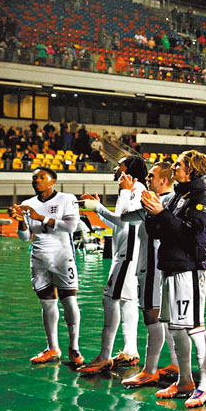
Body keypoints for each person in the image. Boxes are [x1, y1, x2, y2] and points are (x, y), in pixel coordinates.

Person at [142, 150, 206, 408]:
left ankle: (205, 385)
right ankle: (185, 381)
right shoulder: (178, 195)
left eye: (178, 164)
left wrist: (161, 213)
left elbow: (191, 235)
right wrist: (152, 211)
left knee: (195, 327)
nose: (173, 167)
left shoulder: (202, 197)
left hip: (189, 268)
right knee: (175, 327)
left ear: (191, 170)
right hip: (171, 266)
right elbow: (158, 231)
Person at [78, 156, 149, 373]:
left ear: (129, 171)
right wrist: (97, 208)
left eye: (120, 165)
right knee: (128, 302)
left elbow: (124, 219)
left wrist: (99, 206)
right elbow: (117, 224)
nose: (116, 168)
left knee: (110, 300)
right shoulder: (128, 191)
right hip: (124, 254)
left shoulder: (136, 190)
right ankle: (130, 350)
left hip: (127, 256)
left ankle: (104, 356)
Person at [13, 167, 84, 367]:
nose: (36, 180)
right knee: (47, 303)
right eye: (34, 178)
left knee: (69, 300)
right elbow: (25, 237)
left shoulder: (66, 199)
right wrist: (21, 221)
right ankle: (52, 347)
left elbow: (71, 226)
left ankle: (74, 347)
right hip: (39, 258)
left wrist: (40, 217)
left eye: (42, 177)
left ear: (53, 181)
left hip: (62, 257)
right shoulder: (27, 204)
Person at [121, 161, 182, 389]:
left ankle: (149, 371)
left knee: (151, 317)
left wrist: (126, 192)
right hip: (170, 267)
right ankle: (175, 364)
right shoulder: (177, 201)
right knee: (167, 318)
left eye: (151, 176)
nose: (147, 179)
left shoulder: (153, 202)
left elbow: (123, 216)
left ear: (163, 180)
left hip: (153, 268)